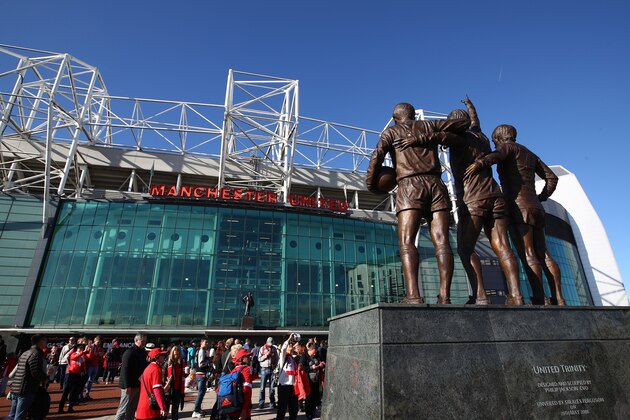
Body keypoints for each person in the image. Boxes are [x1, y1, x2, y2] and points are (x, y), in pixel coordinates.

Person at [394, 96, 525, 305]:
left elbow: (434, 136)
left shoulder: (458, 138)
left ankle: (481, 296)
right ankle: (517, 296)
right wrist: (471, 107)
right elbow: (475, 120)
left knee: (465, 249)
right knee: (503, 247)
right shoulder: (480, 135)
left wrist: (415, 139)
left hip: (474, 199)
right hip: (496, 196)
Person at [366, 103, 469, 304]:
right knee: (442, 241)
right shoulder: (430, 126)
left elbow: (376, 157)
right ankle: (445, 296)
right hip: (436, 185)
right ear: (413, 115)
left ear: (395, 118)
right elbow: (462, 123)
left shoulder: (391, 132)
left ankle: (413, 295)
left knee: (406, 241)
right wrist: (437, 136)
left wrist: (372, 185)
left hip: (409, 186)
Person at [466, 124, 566, 305]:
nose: (495, 144)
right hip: (536, 207)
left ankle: (539, 296)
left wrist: (480, 163)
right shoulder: (530, 153)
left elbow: (497, 156)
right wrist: (541, 197)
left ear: (499, 138)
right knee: (544, 254)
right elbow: (552, 178)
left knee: (528, 253)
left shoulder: (507, 147)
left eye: (495, 140)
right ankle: (559, 297)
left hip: (519, 208)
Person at [9, 335, 47, 420]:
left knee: (12, 415)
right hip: (26, 388)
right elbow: (35, 372)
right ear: (41, 341)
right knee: (20, 415)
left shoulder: (26, 352)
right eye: (45, 341)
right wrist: (45, 378)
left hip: (16, 387)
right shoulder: (36, 353)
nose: (46, 343)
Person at [115, 333, 148, 420]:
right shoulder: (129, 352)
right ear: (136, 340)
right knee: (123, 408)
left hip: (138, 384)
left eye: (145, 341)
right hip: (129, 385)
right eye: (142, 341)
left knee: (132, 408)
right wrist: (127, 386)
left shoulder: (143, 352)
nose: (144, 342)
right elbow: (124, 370)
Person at [224, 348, 257, 420]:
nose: (249, 358)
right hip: (242, 408)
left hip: (232, 405)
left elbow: (253, 377)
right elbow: (246, 390)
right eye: (247, 357)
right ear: (242, 359)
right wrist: (244, 409)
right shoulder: (246, 369)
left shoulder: (235, 369)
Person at [135, 348, 168, 420]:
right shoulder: (156, 369)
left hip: (142, 408)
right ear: (157, 358)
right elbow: (157, 390)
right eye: (162, 355)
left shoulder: (148, 368)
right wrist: (162, 407)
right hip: (150, 410)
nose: (164, 357)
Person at [275, 334, 299, 420]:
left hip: (292, 386)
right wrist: (289, 339)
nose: (291, 347)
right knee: (282, 408)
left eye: (292, 346)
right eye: (290, 346)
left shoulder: (293, 358)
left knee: (294, 408)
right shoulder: (283, 357)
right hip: (284, 385)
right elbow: (283, 349)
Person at [58, 341, 86, 413]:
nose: (81, 349)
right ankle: (60, 408)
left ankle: (70, 407)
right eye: (80, 347)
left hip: (78, 375)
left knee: (74, 392)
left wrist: (84, 371)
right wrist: (82, 352)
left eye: (82, 348)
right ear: (76, 349)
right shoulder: (73, 354)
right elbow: (74, 357)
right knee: (66, 391)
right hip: (70, 374)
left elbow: (84, 363)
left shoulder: (83, 357)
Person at [192, 337, 213, 418]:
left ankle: (198, 408)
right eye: (205, 342)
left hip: (200, 374)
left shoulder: (201, 351)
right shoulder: (201, 351)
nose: (207, 344)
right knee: (201, 393)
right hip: (201, 374)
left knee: (202, 392)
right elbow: (201, 364)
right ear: (202, 343)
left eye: (207, 342)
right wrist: (209, 361)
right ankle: (196, 411)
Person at [303, 344, 324, 420]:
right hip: (308, 380)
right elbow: (302, 368)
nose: (315, 354)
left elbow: (322, 361)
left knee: (315, 397)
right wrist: (311, 367)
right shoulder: (304, 356)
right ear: (310, 350)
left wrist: (321, 364)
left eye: (315, 352)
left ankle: (313, 411)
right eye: (314, 352)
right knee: (309, 398)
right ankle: (308, 413)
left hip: (316, 380)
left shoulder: (317, 356)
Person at [165, 345, 186, 420]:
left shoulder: (181, 363)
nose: (176, 356)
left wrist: (186, 373)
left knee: (175, 410)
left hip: (178, 389)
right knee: (165, 410)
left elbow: (182, 376)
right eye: (174, 354)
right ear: (172, 354)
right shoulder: (168, 363)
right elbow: (164, 376)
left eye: (177, 354)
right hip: (169, 389)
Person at [257, 337, 278, 409]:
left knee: (272, 388)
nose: (270, 345)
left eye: (271, 344)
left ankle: (272, 403)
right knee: (262, 387)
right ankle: (261, 403)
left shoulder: (274, 349)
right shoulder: (262, 348)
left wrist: (275, 365)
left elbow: (277, 358)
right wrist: (266, 355)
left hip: (272, 369)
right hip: (264, 369)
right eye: (269, 344)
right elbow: (259, 359)